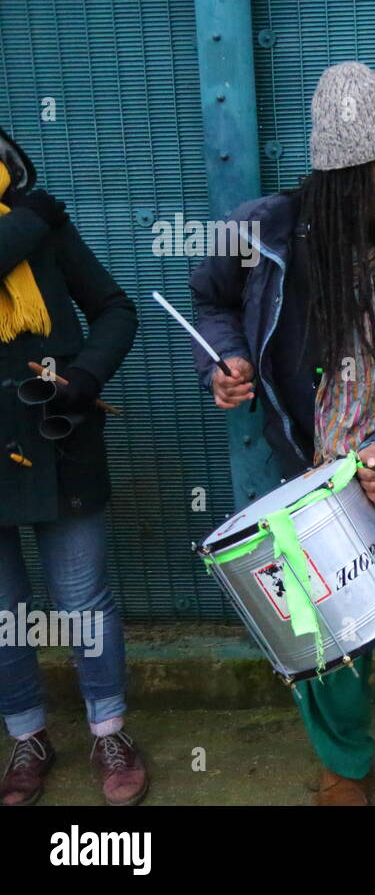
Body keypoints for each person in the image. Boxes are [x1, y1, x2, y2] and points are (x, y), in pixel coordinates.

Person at [190, 62, 375, 805]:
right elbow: (209, 300)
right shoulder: (262, 234)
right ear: (352, 183)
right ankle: (344, 760)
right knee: (324, 629)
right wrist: (223, 358)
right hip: (308, 464)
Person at [0, 125, 142, 805]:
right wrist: (27, 223)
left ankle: (109, 729)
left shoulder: (43, 226)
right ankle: (27, 736)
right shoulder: (35, 218)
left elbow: (116, 307)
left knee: (82, 600)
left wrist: (83, 376)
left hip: (61, 435)